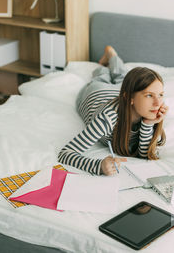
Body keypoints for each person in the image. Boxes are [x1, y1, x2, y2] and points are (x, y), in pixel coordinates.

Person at [58, 46, 168, 176]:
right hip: (97, 93)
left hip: (120, 95)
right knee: (102, 76)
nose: (157, 103)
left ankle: (112, 55)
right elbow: (65, 153)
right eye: (149, 95)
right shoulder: (107, 119)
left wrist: (148, 124)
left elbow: (144, 155)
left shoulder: (149, 111)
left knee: (122, 77)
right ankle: (107, 59)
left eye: (160, 95)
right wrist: (98, 166)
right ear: (129, 97)